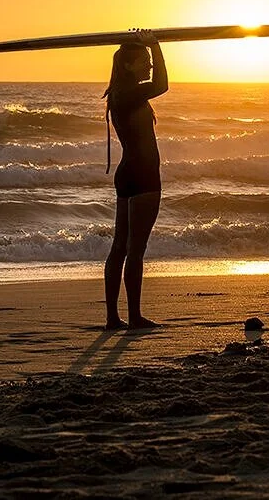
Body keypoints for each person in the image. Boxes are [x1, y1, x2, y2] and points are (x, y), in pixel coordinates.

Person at [102, 32, 167, 330]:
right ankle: (135, 317)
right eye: (145, 61)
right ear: (129, 66)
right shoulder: (129, 94)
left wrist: (149, 46)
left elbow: (155, 84)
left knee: (120, 247)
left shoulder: (119, 93)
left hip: (127, 173)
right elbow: (162, 85)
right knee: (134, 250)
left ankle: (113, 318)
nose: (150, 66)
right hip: (142, 175)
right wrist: (155, 43)